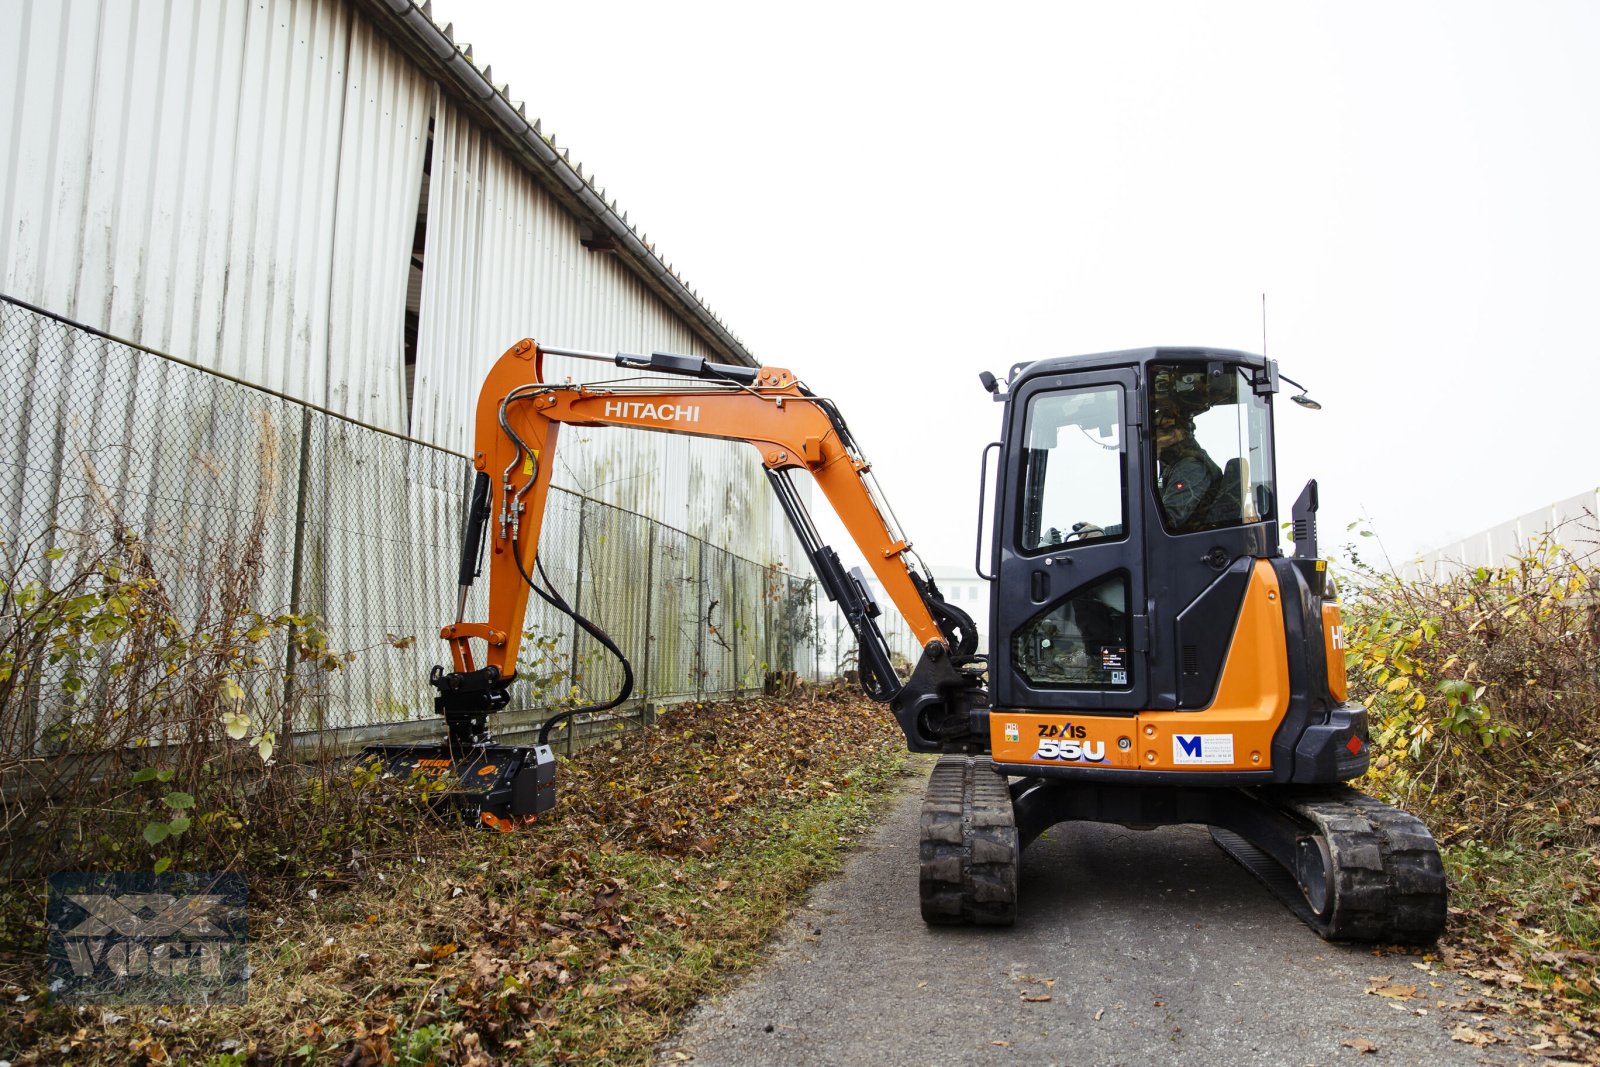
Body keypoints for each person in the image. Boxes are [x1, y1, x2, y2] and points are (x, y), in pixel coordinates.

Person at [1153, 409, 1221, 530]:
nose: (1151, 443)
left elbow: (1168, 520)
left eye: (1154, 437)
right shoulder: (1172, 465)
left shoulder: (1190, 467)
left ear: (1173, 435)